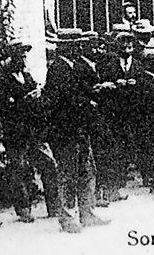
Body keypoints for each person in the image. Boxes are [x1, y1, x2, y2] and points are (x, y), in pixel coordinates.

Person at [43, 29, 108, 233]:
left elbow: (82, 89)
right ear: (65, 46)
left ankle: (87, 212)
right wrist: (87, 101)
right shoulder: (57, 69)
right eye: (75, 43)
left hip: (80, 127)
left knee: (87, 171)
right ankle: (67, 216)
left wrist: (95, 91)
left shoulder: (76, 66)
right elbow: (62, 100)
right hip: (64, 130)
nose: (80, 47)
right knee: (66, 174)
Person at [0, 40, 61, 223]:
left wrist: (37, 96)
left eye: (24, 56)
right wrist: (25, 100)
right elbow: (4, 107)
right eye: (20, 56)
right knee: (19, 169)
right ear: (12, 58)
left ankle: (54, 206)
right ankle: (23, 209)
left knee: (48, 164)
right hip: (15, 133)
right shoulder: (2, 79)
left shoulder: (27, 75)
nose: (24, 59)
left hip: (33, 131)